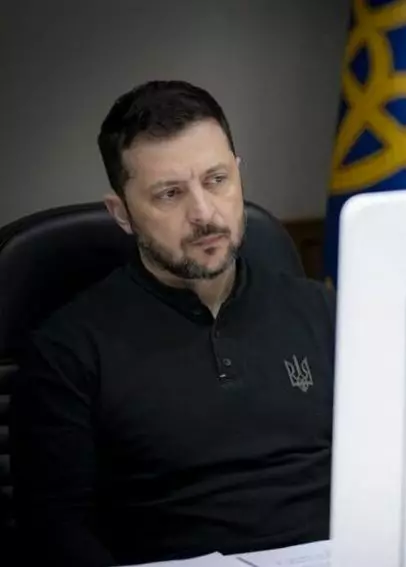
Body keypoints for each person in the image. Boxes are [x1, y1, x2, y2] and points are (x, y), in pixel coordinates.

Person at [11, 80, 335, 566]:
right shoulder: (68, 351)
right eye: (169, 194)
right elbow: (55, 533)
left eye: (217, 179)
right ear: (122, 213)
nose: (204, 213)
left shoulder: (322, 311)